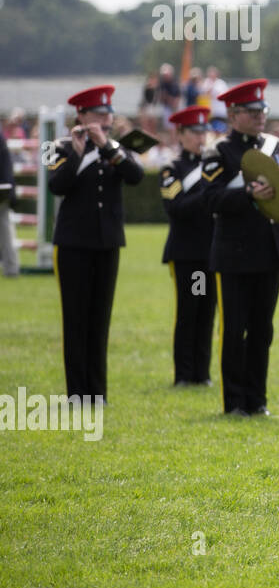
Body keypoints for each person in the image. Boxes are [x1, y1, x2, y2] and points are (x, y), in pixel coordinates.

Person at [200, 79, 279, 416]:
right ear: (233, 114)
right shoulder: (218, 152)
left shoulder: (276, 148)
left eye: (263, 110)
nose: (260, 116)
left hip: (269, 251)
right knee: (234, 330)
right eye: (252, 111)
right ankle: (233, 402)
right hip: (233, 253)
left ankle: (257, 400)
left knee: (263, 330)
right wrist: (246, 194)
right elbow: (209, 199)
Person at [46, 85, 144, 400]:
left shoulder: (116, 148)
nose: (106, 119)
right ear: (82, 115)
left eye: (108, 113)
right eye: (99, 114)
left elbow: (136, 176)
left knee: (100, 319)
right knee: (75, 319)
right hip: (73, 244)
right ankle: (77, 392)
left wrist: (109, 148)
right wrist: (77, 154)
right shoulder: (58, 146)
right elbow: (57, 186)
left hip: (108, 243)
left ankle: (97, 392)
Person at [159, 106, 216, 385]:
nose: (201, 136)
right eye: (195, 131)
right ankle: (184, 374)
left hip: (212, 252)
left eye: (204, 130)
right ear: (180, 134)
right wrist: (207, 192)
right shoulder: (173, 168)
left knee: (207, 313)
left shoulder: (212, 165)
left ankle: (202, 373)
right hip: (188, 254)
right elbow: (175, 207)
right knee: (189, 312)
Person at [0, 132, 19, 277]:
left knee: (4, 230)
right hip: (5, 186)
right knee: (4, 230)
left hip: (2, 187)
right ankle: (11, 267)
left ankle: (11, 268)